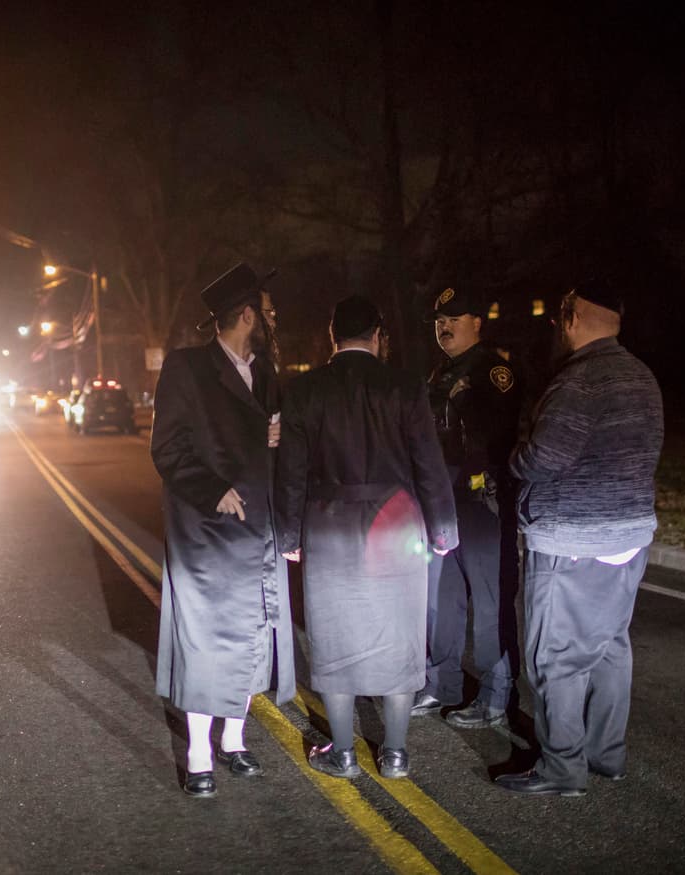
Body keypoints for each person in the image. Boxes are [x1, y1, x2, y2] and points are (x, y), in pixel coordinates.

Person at [276, 295, 458, 779]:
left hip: (329, 524)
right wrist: (443, 528)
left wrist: (288, 534)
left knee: (333, 639)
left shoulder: (304, 390)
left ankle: (344, 754)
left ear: (332, 337)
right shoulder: (404, 386)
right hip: (396, 522)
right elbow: (428, 462)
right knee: (401, 638)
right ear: (378, 336)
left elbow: (290, 472)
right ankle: (395, 755)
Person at [495, 279, 663, 797]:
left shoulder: (578, 381)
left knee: (556, 657)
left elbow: (544, 458)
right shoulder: (642, 376)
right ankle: (605, 755)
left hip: (572, 537)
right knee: (611, 646)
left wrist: (514, 458)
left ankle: (562, 767)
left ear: (569, 316)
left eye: (558, 318)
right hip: (629, 535)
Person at [151, 262, 292, 798]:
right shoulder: (187, 368)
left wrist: (274, 439)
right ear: (248, 315)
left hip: (258, 529)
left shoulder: (270, 373)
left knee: (255, 634)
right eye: (269, 311)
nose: (274, 320)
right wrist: (213, 489)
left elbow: (268, 443)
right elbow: (167, 448)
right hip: (207, 531)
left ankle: (234, 740)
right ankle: (198, 754)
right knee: (207, 644)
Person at [414, 287, 522, 728]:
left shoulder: (493, 370)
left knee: (490, 599)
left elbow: (497, 432)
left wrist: (463, 399)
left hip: (482, 498)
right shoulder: (442, 370)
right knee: (443, 597)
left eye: (454, 318)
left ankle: (496, 697)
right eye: (439, 320)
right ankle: (442, 683)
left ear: (477, 321)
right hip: (445, 495)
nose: (444, 326)